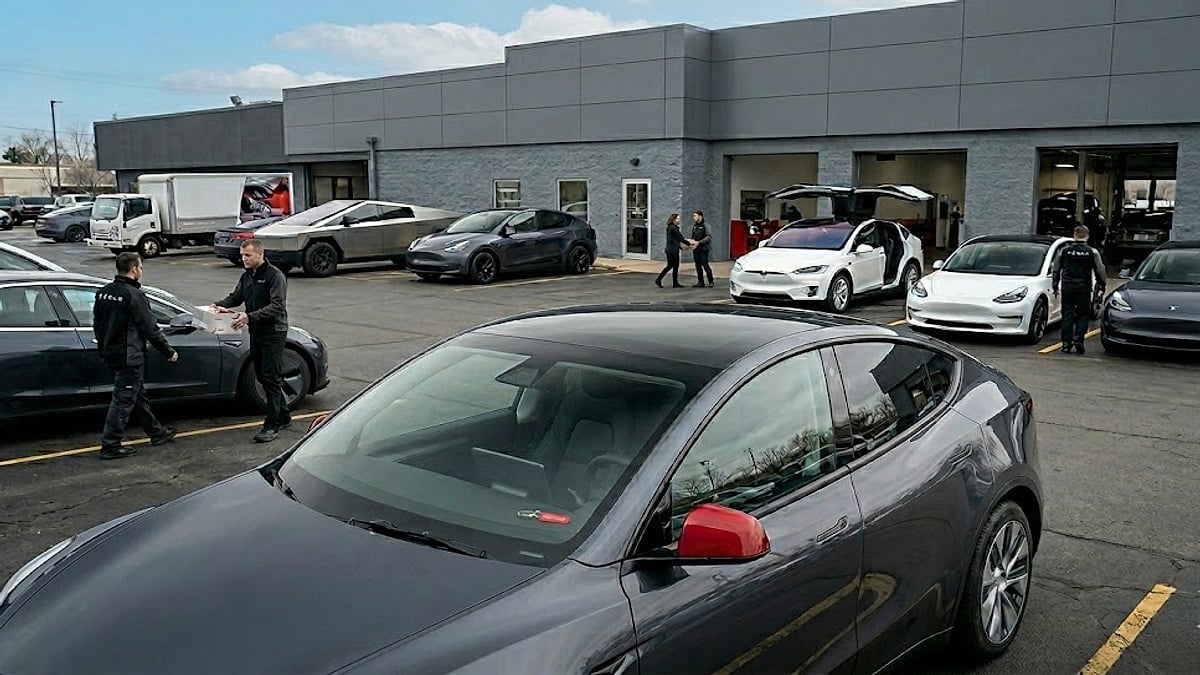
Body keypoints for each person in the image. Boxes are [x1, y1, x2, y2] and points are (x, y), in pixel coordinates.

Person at [93, 252, 178, 460]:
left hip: (111, 353)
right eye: (140, 267)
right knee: (123, 400)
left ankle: (156, 432)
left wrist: (104, 347)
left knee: (136, 395)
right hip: (129, 355)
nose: (141, 270)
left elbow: (97, 323)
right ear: (134, 269)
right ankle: (110, 444)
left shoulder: (104, 292)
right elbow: (150, 328)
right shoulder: (133, 295)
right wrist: (168, 352)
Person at [211, 239, 291, 442]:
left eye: (247, 255)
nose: (243, 259)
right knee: (263, 376)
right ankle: (283, 415)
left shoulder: (275, 276)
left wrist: (249, 316)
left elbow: (277, 306)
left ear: (260, 254)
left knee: (271, 377)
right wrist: (218, 306)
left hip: (274, 331)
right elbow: (236, 297)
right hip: (256, 331)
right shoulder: (247, 276)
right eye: (242, 255)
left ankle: (272, 425)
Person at [1052, 225, 1107, 355]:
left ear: (1074, 235)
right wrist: (1102, 284)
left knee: (1067, 315)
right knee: (1083, 315)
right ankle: (1079, 339)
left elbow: (1056, 269)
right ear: (1087, 236)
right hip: (1083, 288)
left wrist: (1055, 285)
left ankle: (1066, 344)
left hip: (1068, 287)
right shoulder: (1092, 252)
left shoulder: (1065, 251)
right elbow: (1100, 270)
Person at [655, 213, 688, 288]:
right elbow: (680, 238)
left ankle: (674, 282)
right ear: (673, 219)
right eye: (677, 219)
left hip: (671, 249)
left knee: (673, 266)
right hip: (672, 250)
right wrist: (689, 244)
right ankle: (660, 279)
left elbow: (674, 239)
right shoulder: (673, 228)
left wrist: (680, 247)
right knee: (672, 266)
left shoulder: (671, 227)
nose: (679, 220)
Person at [690, 210, 714, 288]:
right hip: (696, 249)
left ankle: (711, 281)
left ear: (700, 216)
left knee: (705, 264)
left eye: (695, 216)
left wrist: (699, 242)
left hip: (704, 249)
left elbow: (709, 236)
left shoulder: (705, 225)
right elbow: (693, 236)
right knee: (697, 265)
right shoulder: (694, 226)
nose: (694, 218)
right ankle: (700, 282)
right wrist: (692, 242)